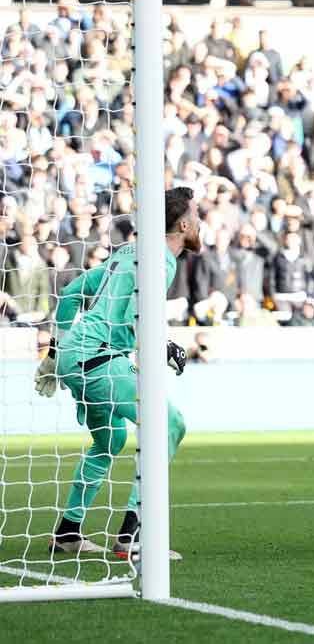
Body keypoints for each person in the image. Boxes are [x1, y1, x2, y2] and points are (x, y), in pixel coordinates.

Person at [34, 187, 201, 560]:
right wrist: (162, 346)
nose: (201, 221)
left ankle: (68, 531)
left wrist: (56, 351)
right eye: (198, 214)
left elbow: (73, 291)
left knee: (107, 443)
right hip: (100, 357)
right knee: (170, 425)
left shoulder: (125, 252)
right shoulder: (161, 259)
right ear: (185, 223)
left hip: (76, 356)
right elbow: (134, 315)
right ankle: (134, 534)